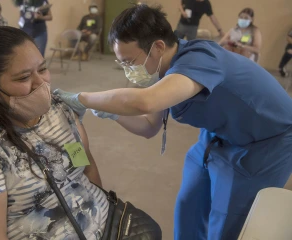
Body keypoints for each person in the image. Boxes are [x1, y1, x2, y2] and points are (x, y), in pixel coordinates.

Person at [53, 5, 292, 240]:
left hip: (265, 143)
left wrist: (83, 98)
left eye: (129, 61)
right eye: (122, 64)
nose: (128, 71)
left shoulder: (200, 59)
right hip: (218, 136)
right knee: (189, 206)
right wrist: (116, 114)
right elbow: (149, 127)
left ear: (158, 46)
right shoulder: (164, 73)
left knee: (229, 221)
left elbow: (147, 102)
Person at [0, 26, 109, 239]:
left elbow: (84, 166)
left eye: (42, 69)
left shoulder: (58, 110)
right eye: (23, 77)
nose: (41, 83)